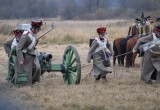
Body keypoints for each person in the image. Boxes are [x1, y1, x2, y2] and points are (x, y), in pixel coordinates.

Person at [14, 19, 43, 85]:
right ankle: (27, 84)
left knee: (38, 68)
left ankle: (33, 81)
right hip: (25, 55)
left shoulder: (34, 34)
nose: (38, 31)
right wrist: (20, 59)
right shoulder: (26, 35)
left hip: (32, 53)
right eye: (37, 29)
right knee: (27, 71)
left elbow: (30, 45)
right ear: (33, 28)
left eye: (39, 29)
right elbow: (18, 48)